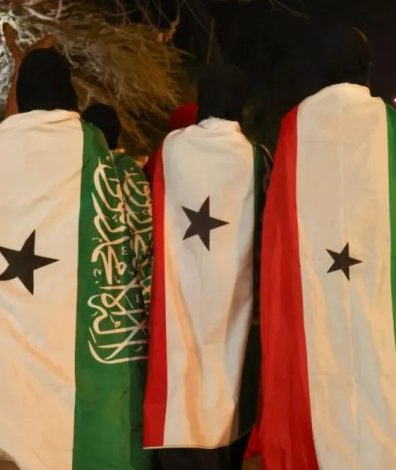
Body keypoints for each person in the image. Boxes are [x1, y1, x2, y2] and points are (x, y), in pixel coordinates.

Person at [0, 48, 151, 469]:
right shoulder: (88, 140)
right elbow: (107, 230)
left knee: (17, 397)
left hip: (10, 300)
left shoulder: (3, 142)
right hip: (68, 302)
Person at [257, 25, 396, 469]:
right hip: (377, 280)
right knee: (378, 366)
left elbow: (281, 218)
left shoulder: (296, 121)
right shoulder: (387, 121)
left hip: (315, 280)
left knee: (323, 364)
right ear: (366, 66)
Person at [143, 63, 265, 470]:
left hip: (176, 307)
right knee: (227, 408)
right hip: (235, 315)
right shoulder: (255, 157)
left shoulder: (170, 149)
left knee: (181, 399)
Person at [81, 103, 153, 304]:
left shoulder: (76, 171)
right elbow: (143, 232)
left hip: (82, 283)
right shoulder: (128, 171)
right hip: (124, 289)